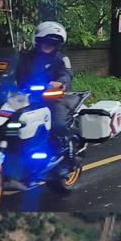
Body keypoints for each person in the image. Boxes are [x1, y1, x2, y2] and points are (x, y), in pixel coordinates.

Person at [15, 21, 74, 173]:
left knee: (58, 125)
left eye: (53, 43)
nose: (48, 45)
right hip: (23, 98)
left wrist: (60, 84)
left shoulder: (61, 59)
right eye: (46, 41)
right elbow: (9, 71)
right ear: (38, 41)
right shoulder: (24, 57)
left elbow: (66, 75)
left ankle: (66, 160)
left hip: (51, 99)